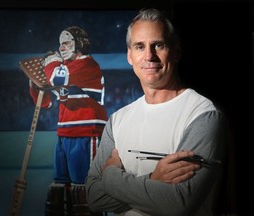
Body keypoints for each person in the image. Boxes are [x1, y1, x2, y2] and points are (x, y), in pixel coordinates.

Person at [85, 8, 227, 216]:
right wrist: (153, 181)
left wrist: (111, 176)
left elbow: (178, 203)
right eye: (140, 46)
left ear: (176, 51)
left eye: (158, 45)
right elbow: (93, 198)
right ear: (130, 56)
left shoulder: (203, 114)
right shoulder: (117, 121)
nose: (149, 56)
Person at [29, 26, 108, 215]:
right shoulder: (65, 69)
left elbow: (57, 78)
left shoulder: (87, 65)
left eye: (66, 42)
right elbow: (46, 103)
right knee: (59, 189)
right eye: (60, 44)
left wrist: (51, 64)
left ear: (79, 44)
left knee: (85, 190)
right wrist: (34, 83)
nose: (62, 47)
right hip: (64, 135)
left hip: (86, 134)